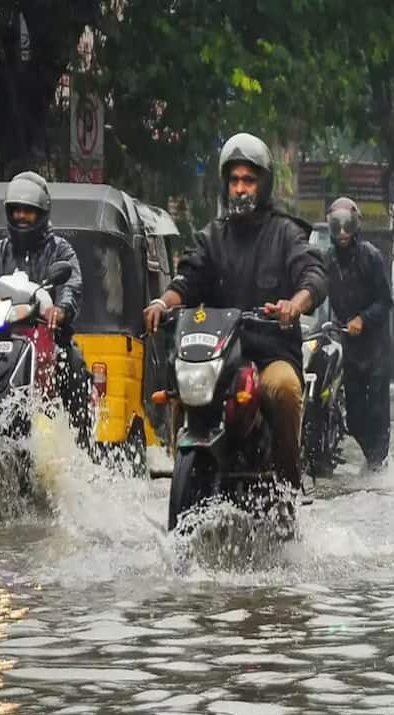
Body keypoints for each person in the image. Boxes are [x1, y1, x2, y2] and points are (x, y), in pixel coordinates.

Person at [143, 133, 327, 490]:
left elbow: (313, 274)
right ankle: (180, 457)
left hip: (270, 353)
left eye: (249, 180)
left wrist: (295, 304)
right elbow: (187, 279)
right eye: (235, 180)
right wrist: (162, 303)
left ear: (264, 184)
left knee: (286, 390)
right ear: (225, 185)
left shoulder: (285, 233)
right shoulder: (211, 237)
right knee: (181, 385)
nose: (241, 188)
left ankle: (288, 485)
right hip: (217, 357)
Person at [0, 171, 92, 447]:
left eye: (29, 212)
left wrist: (61, 309)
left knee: (73, 363)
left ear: (42, 213)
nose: (22, 216)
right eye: (17, 210)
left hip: (46, 336)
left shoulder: (61, 251)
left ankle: (78, 443)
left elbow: (72, 285)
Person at [323, 196, 393, 471]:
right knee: (353, 416)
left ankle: (379, 465)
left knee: (377, 411)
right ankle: (371, 458)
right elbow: (315, 289)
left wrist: (363, 320)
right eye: (336, 226)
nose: (342, 233)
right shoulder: (326, 260)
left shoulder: (371, 257)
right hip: (348, 347)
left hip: (375, 347)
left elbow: (386, 300)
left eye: (347, 225)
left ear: (356, 226)